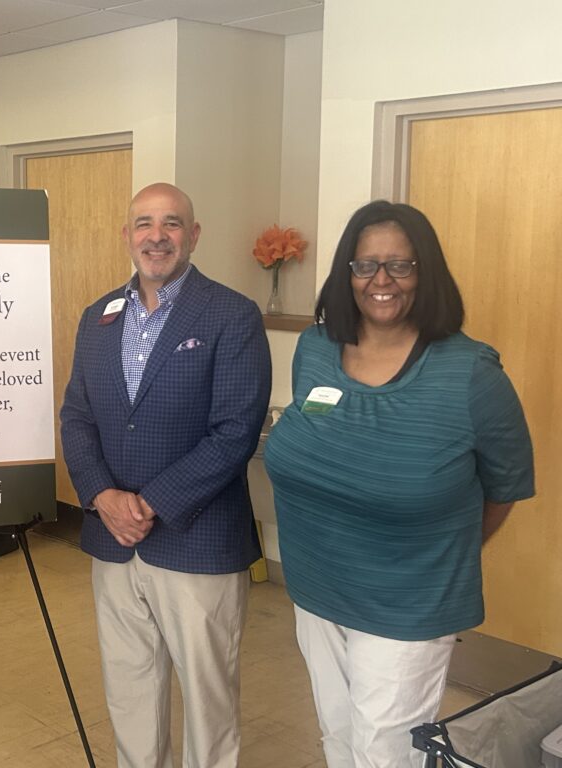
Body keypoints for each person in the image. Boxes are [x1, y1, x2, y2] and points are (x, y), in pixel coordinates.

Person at [264, 200, 535, 767]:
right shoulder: (315, 349)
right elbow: (316, 430)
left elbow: (504, 489)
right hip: (315, 590)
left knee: (386, 754)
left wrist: (428, 548)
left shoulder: (471, 375)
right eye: (365, 266)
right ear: (347, 274)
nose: (381, 281)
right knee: (338, 738)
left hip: (407, 602)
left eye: (400, 266)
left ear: (425, 272)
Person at [60, 183, 272, 767]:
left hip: (196, 540)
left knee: (208, 701)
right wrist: (102, 495)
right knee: (129, 690)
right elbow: (77, 416)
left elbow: (235, 430)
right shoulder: (97, 317)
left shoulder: (232, 314)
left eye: (172, 223)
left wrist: (147, 504)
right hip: (113, 541)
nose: (158, 236)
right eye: (145, 224)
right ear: (127, 236)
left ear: (193, 235)